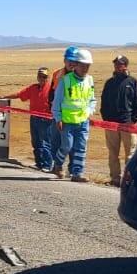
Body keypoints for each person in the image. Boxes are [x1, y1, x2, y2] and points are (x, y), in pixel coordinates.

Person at [50, 48, 96, 182]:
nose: (85, 68)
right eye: (83, 65)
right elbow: (57, 101)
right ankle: (57, 164)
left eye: (88, 65)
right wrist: (58, 118)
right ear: (76, 65)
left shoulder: (89, 80)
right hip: (67, 121)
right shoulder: (65, 80)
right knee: (66, 146)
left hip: (83, 121)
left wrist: (89, 111)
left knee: (81, 148)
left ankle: (77, 173)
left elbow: (92, 100)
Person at [0, 67, 53, 170]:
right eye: (40, 76)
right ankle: (39, 163)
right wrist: (4, 96)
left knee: (45, 142)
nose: (42, 78)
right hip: (34, 119)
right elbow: (19, 95)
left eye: (44, 77)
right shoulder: (33, 88)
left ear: (48, 77)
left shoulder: (51, 90)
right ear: (37, 77)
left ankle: (47, 165)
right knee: (36, 142)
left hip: (46, 120)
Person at [100, 55, 137, 187]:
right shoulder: (109, 83)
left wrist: (134, 119)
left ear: (125, 65)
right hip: (111, 123)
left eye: (120, 64)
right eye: (116, 64)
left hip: (127, 123)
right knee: (113, 153)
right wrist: (106, 118)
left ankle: (129, 179)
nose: (118, 66)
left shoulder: (132, 82)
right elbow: (104, 101)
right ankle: (115, 178)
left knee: (130, 153)